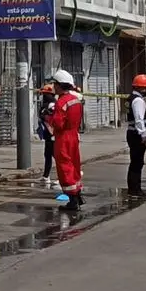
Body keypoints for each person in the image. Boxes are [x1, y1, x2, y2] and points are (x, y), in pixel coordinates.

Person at [50, 70, 85, 211]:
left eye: (55, 84)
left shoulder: (61, 102)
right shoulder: (75, 100)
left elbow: (58, 124)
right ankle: (77, 193)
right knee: (74, 164)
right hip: (74, 136)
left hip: (63, 138)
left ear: (60, 85)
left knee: (64, 167)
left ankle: (72, 200)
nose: (53, 87)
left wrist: (49, 117)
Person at [125, 74, 146, 198]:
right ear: (143, 88)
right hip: (136, 134)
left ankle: (134, 188)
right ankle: (135, 189)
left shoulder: (132, 98)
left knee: (135, 162)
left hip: (133, 133)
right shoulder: (138, 100)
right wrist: (143, 135)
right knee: (137, 162)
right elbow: (139, 119)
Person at [37, 83, 57, 187]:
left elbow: (52, 118)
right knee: (48, 155)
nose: (44, 96)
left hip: (52, 134)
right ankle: (46, 176)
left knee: (56, 156)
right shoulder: (47, 105)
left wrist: (44, 116)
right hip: (48, 134)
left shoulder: (52, 105)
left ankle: (65, 175)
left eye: (45, 94)